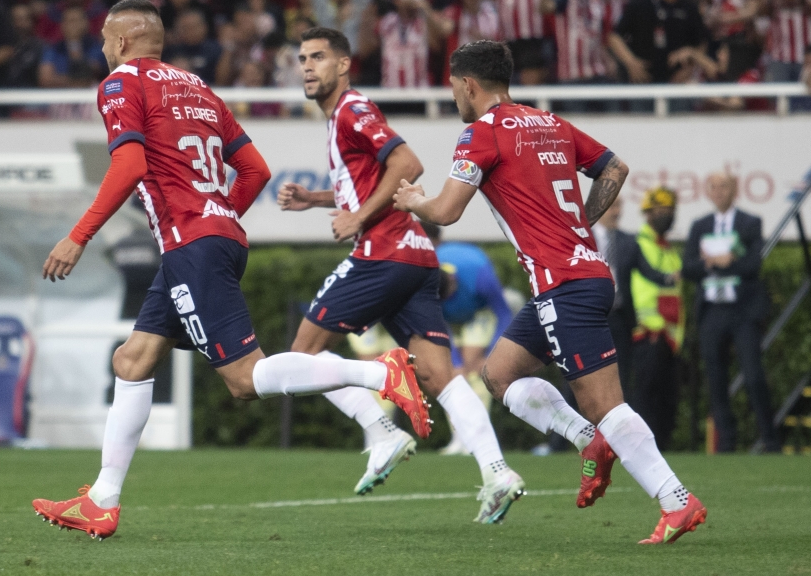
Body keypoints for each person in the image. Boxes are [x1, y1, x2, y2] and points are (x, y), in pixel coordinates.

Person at [32, 0, 430, 541]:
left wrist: (77, 237)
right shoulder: (197, 88)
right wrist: (217, 218)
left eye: (105, 38)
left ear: (123, 43)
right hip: (206, 241)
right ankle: (103, 498)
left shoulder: (121, 83)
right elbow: (255, 168)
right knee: (133, 359)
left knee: (244, 380)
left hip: (191, 244)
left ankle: (380, 374)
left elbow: (129, 165)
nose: (102, 47)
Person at [393, 40, 707, 544]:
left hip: (565, 285)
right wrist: (577, 227)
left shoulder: (481, 134)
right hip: (577, 277)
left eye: (454, 89)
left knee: (605, 403)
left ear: (469, 85)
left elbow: (447, 211)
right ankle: (591, 443)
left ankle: (677, 501)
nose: (455, 99)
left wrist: (413, 200)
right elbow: (615, 168)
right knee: (500, 375)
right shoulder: (550, 123)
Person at [276, 27, 525, 524]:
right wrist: (318, 200)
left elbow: (408, 163)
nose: (308, 66)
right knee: (441, 376)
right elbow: (369, 181)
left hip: (382, 252)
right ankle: (497, 472)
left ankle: (383, 429)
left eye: (319, 57)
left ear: (344, 65)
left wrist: (357, 218)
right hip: (414, 257)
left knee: (302, 353)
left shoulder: (352, 109)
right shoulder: (338, 119)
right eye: (303, 58)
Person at [682, 173, 780, 453]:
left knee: (754, 375)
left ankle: (770, 439)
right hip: (712, 312)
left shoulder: (750, 223)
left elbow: (753, 265)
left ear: (735, 189)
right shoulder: (700, 225)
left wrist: (724, 262)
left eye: (724, 186)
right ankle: (726, 443)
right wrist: (715, 262)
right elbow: (689, 267)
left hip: (743, 312)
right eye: (713, 186)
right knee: (715, 379)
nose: (719, 191)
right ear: (708, 192)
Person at [418, 222, 516, 455]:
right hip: (451, 319)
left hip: (480, 312)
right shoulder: (426, 282)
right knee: (452, 374)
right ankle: (458, 437)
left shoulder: (478, 274)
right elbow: (439, 326)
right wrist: (455, 363)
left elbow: (503, 313)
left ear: (454, 282)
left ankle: (477, 437)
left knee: (474, 370)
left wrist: (491, 354)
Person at [591, 198, 674, 399]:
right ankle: (567, 430)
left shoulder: (628, 241)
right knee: (583, 380)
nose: (616, 212)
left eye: (619, 206)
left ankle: (616, 429)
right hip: (589, 319)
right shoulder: (583, 239)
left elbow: (649, 271)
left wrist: (673, 277)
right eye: (611, 206)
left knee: (621, 380)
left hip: (620, 319)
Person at [629, 187, 684, 450]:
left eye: (670, 211)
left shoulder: (670, 250)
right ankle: (640, 448)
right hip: (646, 333)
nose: (667, 215)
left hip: (669, 337)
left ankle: (661, 448)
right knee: (644, 398)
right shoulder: (638, 245)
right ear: (648, 214)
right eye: (661, 211)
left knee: (666, 400)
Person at [608, 0, 708, 85]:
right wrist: (631, 62)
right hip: (644, 80)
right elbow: (614, 37)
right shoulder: (641, 3)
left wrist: (689, 70)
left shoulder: (688, 7)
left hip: (677, 82)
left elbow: (701, 43)